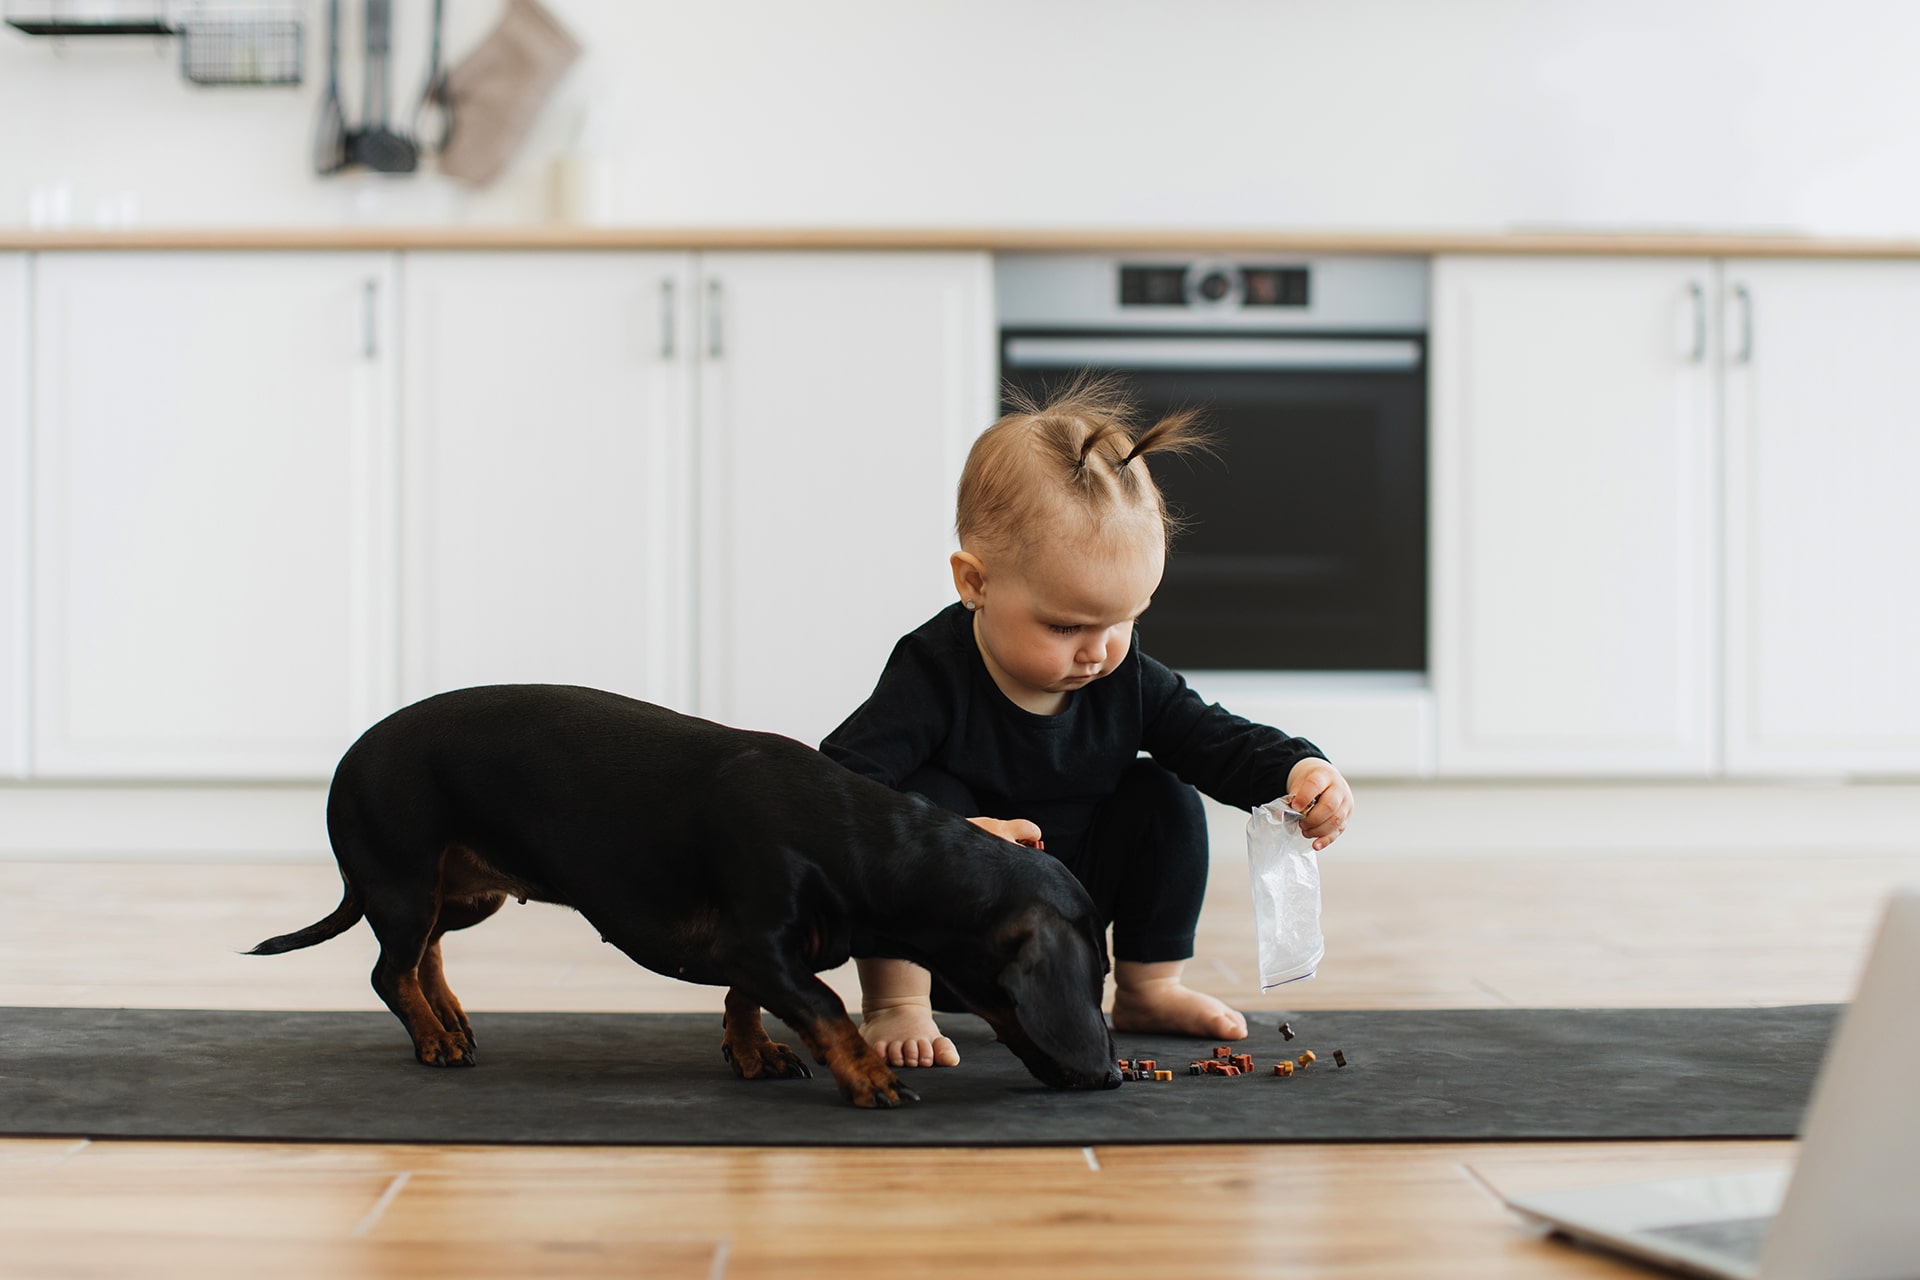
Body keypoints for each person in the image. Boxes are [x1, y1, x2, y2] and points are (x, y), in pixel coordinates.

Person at [821, 377, 1353, 1069]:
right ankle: (897, 1004)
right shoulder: (931, 673)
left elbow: (1212, 739)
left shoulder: (1120, 675)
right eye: (1067, 624)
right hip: (954, 928)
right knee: (917, 796)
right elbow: (834, 788)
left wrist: (1298, 769)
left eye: (1125, 619)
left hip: (1070, 919)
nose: (1098, 649)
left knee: (1161, 792)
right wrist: (943, 838)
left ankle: (1148, 986)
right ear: (974, 584)